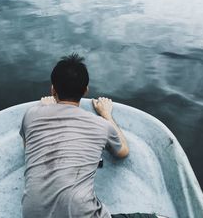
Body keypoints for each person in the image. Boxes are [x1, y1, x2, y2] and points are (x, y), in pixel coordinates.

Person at [19, 53, 159, 218]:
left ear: (52, 89)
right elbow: (123, 151)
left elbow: (28, 147)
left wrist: (43, 108)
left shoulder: (31, 115)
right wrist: (106, 114)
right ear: (85, 90)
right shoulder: (101, 125)